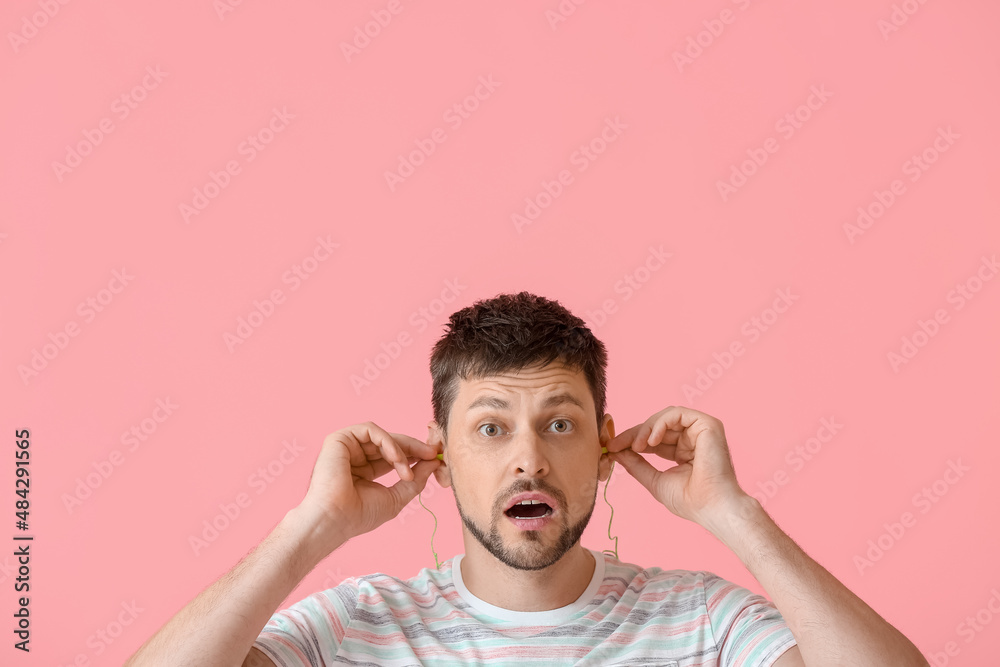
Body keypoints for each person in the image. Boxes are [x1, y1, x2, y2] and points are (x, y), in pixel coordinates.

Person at [125, 291, 928, 666]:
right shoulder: (359, 625)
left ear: (608, 446)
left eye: (560, 422)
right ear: (439, 455)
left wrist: (735, 515)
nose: (529, 459)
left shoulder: (704, 624)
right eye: (490, 427)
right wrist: (311, 529)